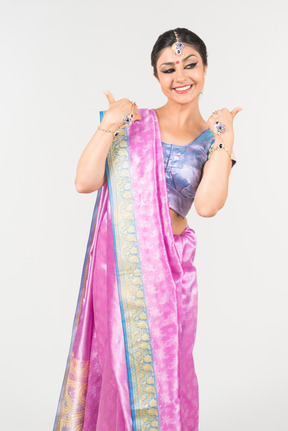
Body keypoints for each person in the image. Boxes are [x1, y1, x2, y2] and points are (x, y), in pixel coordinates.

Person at [53, 27, 241, 431]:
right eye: (168, 68)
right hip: (121, 273)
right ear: (156, 76)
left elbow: (207, 205)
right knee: (117, 368)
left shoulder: (212, 140)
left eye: (190, 65)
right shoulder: (135, 124)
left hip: (173, 275)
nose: (181, 76)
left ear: (205, 69)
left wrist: (226, 138)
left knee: (170, 375)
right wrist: (111, 123)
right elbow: (85, 182)